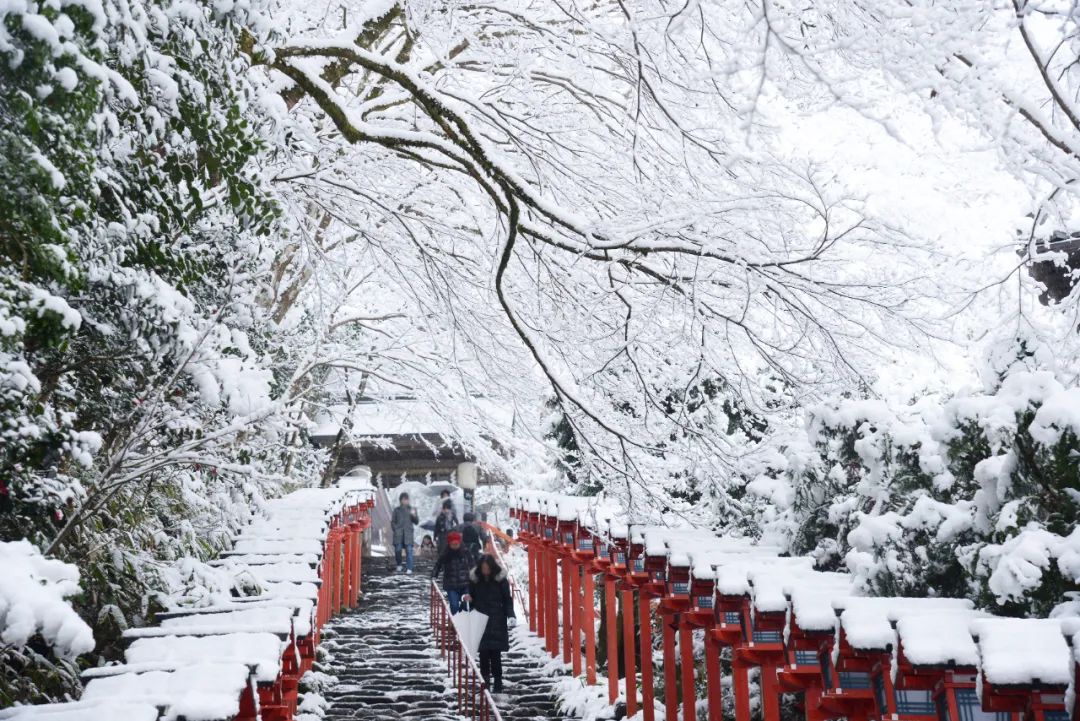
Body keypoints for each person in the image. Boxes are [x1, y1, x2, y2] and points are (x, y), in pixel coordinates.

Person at [463, 554, 516, 693]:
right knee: (483, 654)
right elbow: (471, 596)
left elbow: (507, 600)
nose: (485, 570)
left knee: (496, 654)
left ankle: (498, 683)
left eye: (487, 568)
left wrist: (511, 615)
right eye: (483, 568)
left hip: (497, 619)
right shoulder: (475, 581)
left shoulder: (501, 581)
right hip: (480, 619)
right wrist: (467, 598)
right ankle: (485, 683)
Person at [432, 531, 473, 613]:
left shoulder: (465, 552)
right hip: (451, 584)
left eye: (456, 544)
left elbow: (472, 564)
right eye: (452, 544)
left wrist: (475, 575)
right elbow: (438, 564)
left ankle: (465, 621)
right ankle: (455, 623)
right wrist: (434, 574)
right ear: (449, 544)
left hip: (465, 584)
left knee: (467, 604)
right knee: (454, 606)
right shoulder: (446, 553)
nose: (455, 546)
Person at [391, 492, 419, 574]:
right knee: (398, 549)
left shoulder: (412, 509)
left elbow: (416, 521)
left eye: (407, 499)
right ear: (401, 500)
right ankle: (399, 564)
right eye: (404, 499)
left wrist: (414, 515)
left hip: (408, 533)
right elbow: (393, 521)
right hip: (398, 533)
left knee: (409, 550)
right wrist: (395, 529)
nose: (406, 501)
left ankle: (409, 568)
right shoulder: (396, 510)